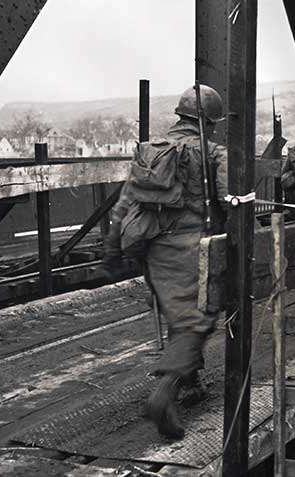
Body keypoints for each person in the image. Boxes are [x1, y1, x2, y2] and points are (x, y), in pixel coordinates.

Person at [103, 84, 229, 439]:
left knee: (177, 311)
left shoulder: (151, 151)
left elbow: (125, 203)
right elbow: (230, 201)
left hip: (153, 248)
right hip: (192, 247)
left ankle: (190, 380)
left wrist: (112, 250)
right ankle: (166, 390)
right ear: (209, 121)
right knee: (197, 319)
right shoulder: (214, 152)